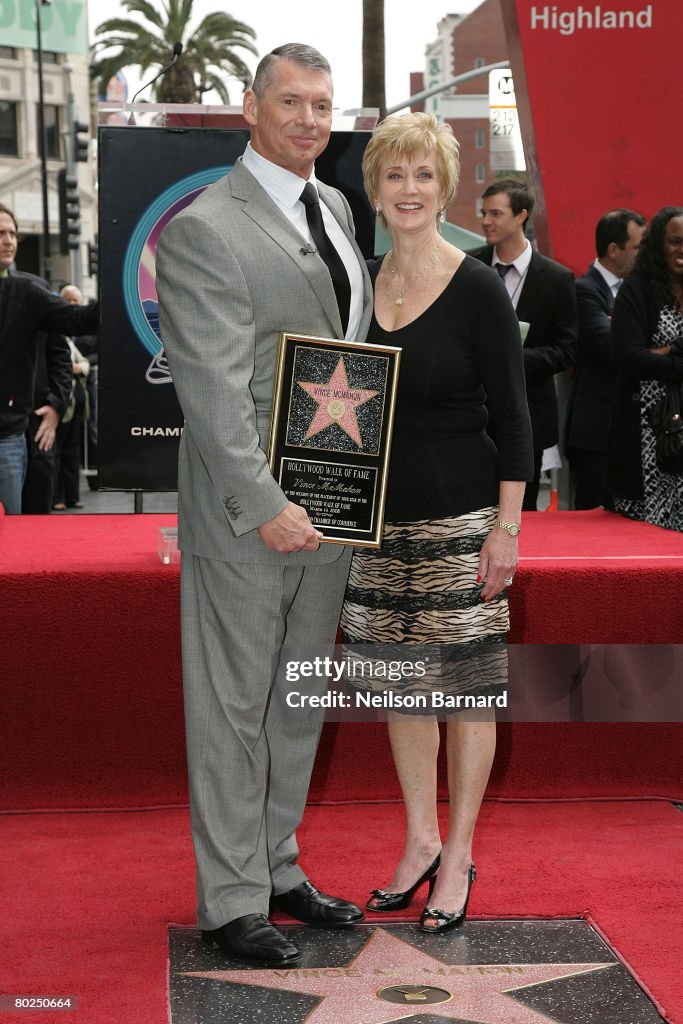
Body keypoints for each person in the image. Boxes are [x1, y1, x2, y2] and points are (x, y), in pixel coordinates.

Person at [155, 44, 373, 967]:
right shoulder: (206, 227)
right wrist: (267, 502)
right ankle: (231, 898)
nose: (308, 120)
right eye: (290, 101)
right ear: (248, 108)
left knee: (294, 703)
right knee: (233, 709)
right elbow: (207, 392)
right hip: (252, 515)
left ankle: (278, 867)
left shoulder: (331, 206)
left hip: (333, 498)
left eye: (322, 105)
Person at [340, 113, 533, 933]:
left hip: (461, 520)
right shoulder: (357, 281)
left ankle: (457, 854)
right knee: (398, 685)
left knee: (463, 691)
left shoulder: (478, 285)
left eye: (424, 176)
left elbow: (516, 416)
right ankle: (418, 839)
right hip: (377, 527)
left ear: (444, 187)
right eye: (395, 175)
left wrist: (506, 529)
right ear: (374, 189)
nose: (409, 190)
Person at [469, 179, 577, 510]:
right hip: (472, 416)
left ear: (521, 216)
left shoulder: (557, 278)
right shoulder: (467, 266)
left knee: (522, 517)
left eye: (496, 213)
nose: (486, 221)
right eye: (484, 213)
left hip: (528, 416)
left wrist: (513, 360)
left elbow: (567, 349)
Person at [0, 204, 97, 514]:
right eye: (0, 233)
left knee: (13, 538)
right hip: (14, 435)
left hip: (12, 435)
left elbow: (75, 323)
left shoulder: (29, 291)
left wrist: (56, 405)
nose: (9, 240)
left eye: (13, 233)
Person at [608, 206, 683, 531]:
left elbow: (644, 355)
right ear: (658, 245)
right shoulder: (637, 290)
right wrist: (679, 354)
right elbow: (628, 357)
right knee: (644, 541)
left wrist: (662, 353)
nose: (682, 250)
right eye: (675, 242)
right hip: (645, 431)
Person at [566, 209, 646, 509]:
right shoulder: (584, 291)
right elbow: (616, 347)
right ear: (614, 249)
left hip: (628, 428)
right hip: (594, 432)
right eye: (638, 247)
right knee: (592, 519)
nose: (645, 254)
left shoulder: (639, 292)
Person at [51, 286, 91, 511]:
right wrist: (75, 368)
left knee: (72, 453)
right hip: (60, 405)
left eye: (77, 301)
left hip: (76, 405)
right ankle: (57, 497)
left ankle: (72, 496)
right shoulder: (55, 331)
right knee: (56, 453)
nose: (74, 305)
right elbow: (66, 365)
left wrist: (78, 368)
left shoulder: (71, 339)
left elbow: (84, 363)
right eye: (69, 300)